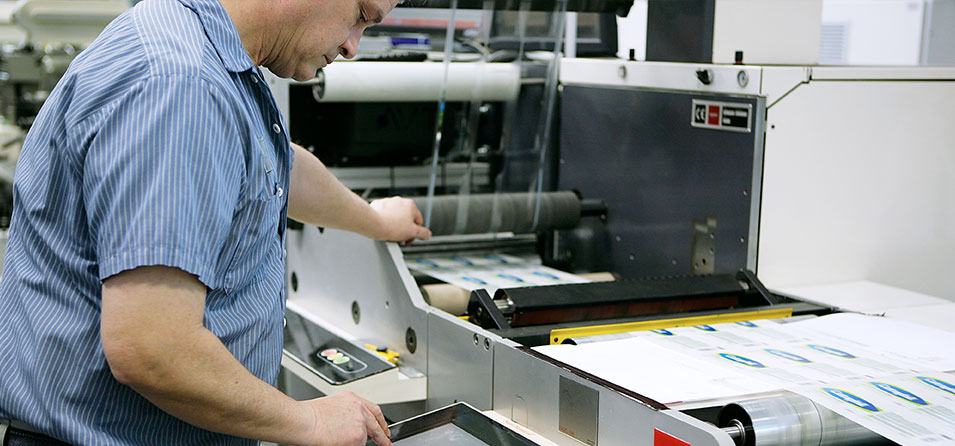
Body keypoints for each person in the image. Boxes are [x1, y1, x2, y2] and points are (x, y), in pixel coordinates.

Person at [0, 0, 431, 444]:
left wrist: (376, 220)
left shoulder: (208, 52)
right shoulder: (181, 85)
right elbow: (152, 347)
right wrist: (312, 422)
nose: (352, 46)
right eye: (360, 15)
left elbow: (275, 166)